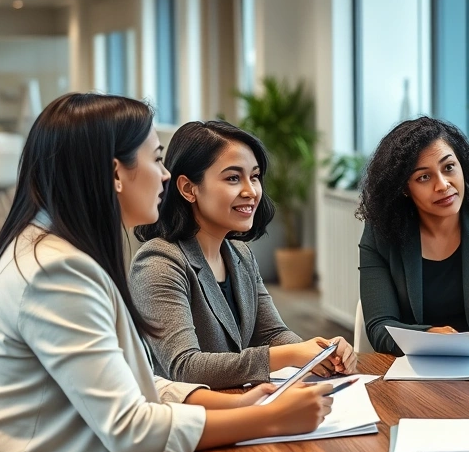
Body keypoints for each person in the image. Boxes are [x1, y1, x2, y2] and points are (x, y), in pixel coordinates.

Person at [0, 94, 333, 452]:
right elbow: (128, 427)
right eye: (156, 159)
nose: (163, 175)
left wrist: (238, 403)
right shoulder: (57, 274)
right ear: (115, 173)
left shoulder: (51, 254)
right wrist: (268, 419)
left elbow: (132, 381)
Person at [130, 120, 356, 389]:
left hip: (241, 404)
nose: (251, 191)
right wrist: (290, 355)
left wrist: (321, 351)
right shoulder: (158, 263)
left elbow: (271, 333)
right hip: (193, 420)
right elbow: (184, 367)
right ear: (189, 189)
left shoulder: (240, 254)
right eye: (233, 178)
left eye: (255, 176)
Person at [357, 116, 469, 355]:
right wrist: (428, 336)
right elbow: (380, 327)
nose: (442, 185)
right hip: (415, 376)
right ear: (403, 189)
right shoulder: (381, 234)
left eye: (449, 167)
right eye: (424, 177)